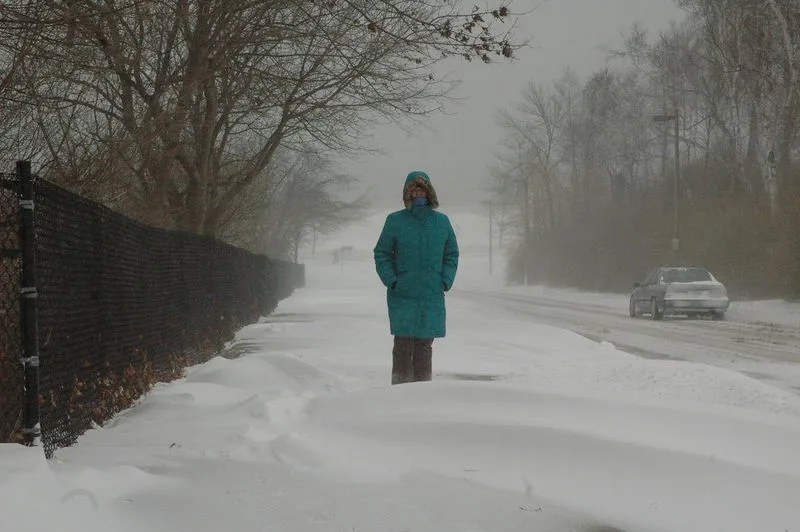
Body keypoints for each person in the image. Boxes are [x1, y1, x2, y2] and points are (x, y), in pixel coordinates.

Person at [373, 170, 459, 384]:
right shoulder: (395, 221)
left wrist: (445, 280)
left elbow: (451, 254)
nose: (417, 193)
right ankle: (399, 391)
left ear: (429, 192)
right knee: (402, 344)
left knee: (424, 345)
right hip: (403, 293)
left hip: (431, 294)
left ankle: (422, 394)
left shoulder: (442, 222)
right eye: (413, 189)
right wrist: (392, 280)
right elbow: (382, 252)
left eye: (421, 188)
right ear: (407, 194)